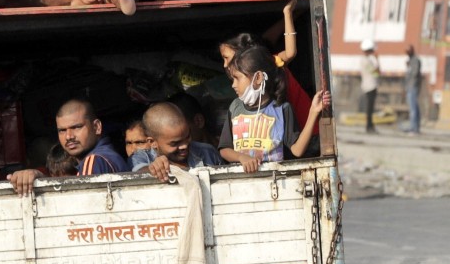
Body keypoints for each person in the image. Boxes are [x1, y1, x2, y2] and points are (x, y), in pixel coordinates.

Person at [218, 45, 330, 173]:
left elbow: (297, 150)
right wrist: (241, 157)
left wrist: (313, 112)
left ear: (258, 78)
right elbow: (224, 149)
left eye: (237, 78)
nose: (233, 85)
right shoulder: (235, 107)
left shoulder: (282, 109)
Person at [133, 102, 221, 178]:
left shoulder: (208, 152)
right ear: (152, 142)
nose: (184, 146)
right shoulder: (141, 158)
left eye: (187, 137)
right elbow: (137, 173)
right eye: (175, 143)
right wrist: (154, 169)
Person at [55, 99, 128, 175]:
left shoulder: (94, 160)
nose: (68, 136)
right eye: (62, 130)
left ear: (97, 127)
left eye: (76, 127)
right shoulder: (106, 155)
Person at [360, 39, 380, 134]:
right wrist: (377, 60)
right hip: (370, 86)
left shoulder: (366, 60)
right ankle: (369, 126)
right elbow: (376, 73)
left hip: (370, 85)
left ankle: (370, 125)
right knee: (370, 107)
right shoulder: (366, 61)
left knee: (370, 107)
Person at [404, 44, 422, 135]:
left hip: (413, 87)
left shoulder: (415, 60)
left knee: (413, 109)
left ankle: (414, 128)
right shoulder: (410, 61)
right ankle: (415, 127)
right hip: (410, 86)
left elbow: (414, 74)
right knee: (414, 107)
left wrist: (409, 67)